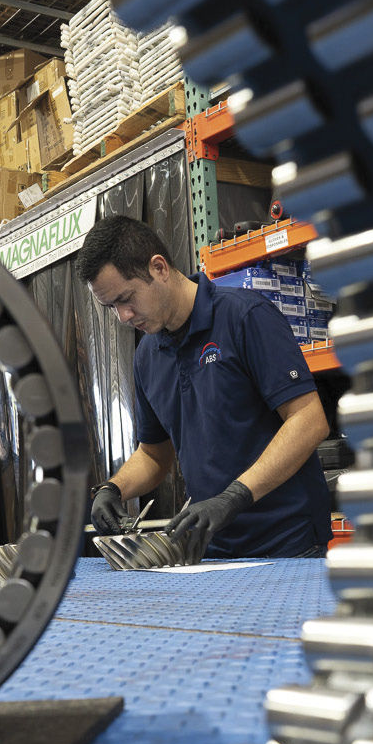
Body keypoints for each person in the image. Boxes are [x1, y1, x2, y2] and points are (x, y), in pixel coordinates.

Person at [79, 215, 332, 559]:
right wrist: (113, 489)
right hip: (214, 551)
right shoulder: (147, 356)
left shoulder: (246, 317)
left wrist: (234, 497)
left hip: (290, 545)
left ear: (159, 268)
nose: (123, 317)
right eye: (112, 307)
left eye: (127, 299)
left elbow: (308, 420)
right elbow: (154, 454)